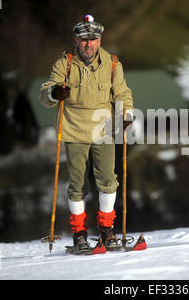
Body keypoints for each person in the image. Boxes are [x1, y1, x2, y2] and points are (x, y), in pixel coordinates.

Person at [38, 15, 133, 252]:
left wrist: (125, 113)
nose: (88, 44)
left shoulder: (112, 65)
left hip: (104, 129)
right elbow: (46, 91)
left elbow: (122, 93)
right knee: (78, 185)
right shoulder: (65, 64)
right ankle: (79, 235)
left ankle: (107, 231)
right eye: (84, 39)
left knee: (108, 181)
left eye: (93, 39)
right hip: (74, 130)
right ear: (76, 41)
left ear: (99, 40)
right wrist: (54, 93)